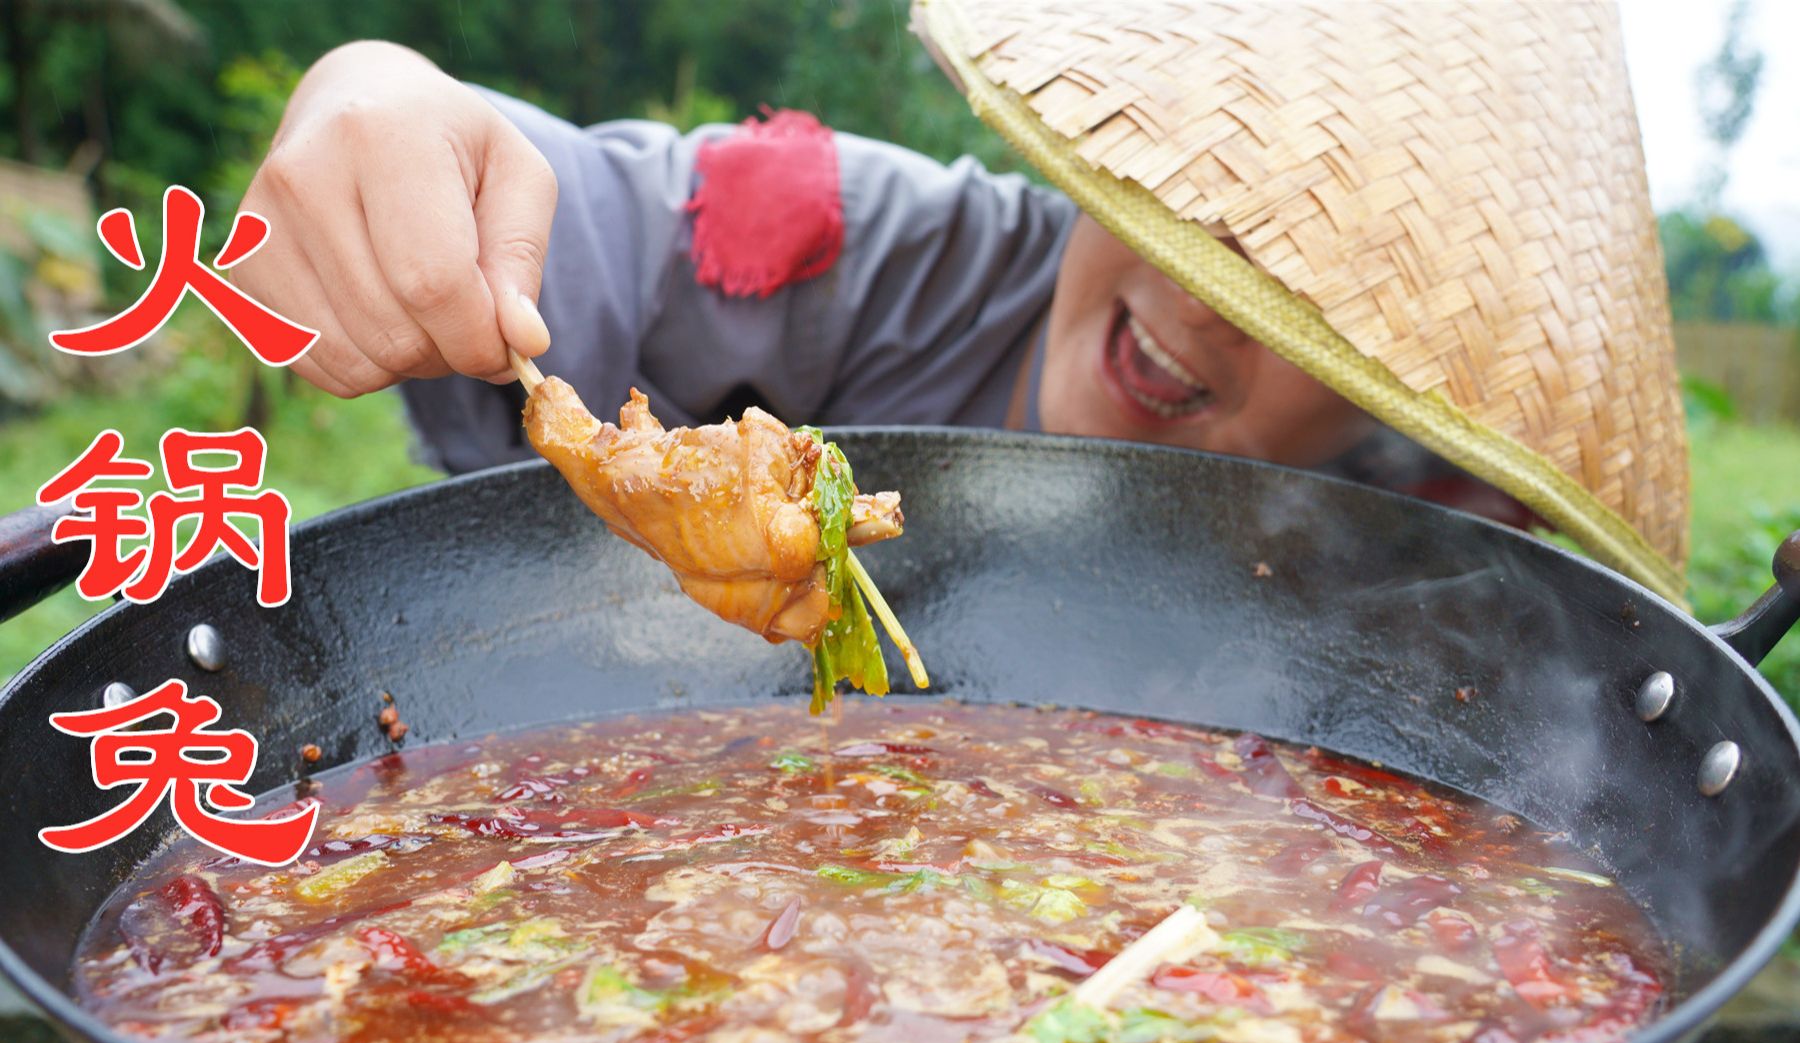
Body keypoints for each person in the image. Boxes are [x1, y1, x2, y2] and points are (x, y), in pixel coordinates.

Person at [233, 1, 1688, 603]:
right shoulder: (864, 245)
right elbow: (558, 201)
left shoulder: (1434, 542)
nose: (1196, 300)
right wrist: (373, 95)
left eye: (1303, 291)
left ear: (1399, 382)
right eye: (1179, 203)